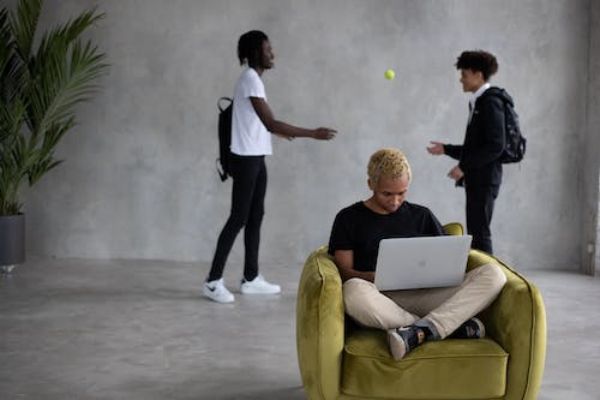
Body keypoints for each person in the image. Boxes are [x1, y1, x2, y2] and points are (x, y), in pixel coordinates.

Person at [328, 148, 506, 360]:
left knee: (494, 274)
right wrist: (373, 277)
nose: (395, 201)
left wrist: (447, 267)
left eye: (401, 193)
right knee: (352, 292)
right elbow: (344, 271)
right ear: (371, 184)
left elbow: (448, 259)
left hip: (426, 296)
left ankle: (419, 331)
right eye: (387, 194)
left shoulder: (422, 215)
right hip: (380, 298)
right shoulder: (348, 218)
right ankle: (444, 326)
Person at [204, 30, 337, 304]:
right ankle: (212, 281)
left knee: (255, 216)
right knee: (238, 218)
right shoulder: (251, 80)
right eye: (267, 49)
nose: (272, 53)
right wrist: (313, 133)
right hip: (246, 159)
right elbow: (270, 122)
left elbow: (258, 123)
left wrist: (279, 133)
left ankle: (251, 278)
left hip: (256, 156)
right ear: (255, 53)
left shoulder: (253, 80)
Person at [427, 50, 506, 254]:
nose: (461, 79)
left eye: (464, 74)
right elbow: (476, 148)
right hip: (479, 179)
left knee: (480, 233)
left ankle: (488, 273)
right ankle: (482, 271)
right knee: (477, 231)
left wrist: (463, 167)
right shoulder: (480, 102)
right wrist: (445, 149)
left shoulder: (490, 102)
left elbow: (495, 145)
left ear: (478, 75)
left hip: (485, 179)